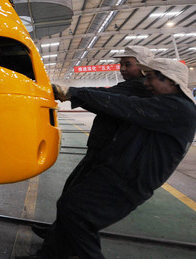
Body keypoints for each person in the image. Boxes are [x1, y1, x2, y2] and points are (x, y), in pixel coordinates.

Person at [24, 58, 196, 258]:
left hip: (128, 182)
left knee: (77, 215)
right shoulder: (166, 104)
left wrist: (74, 92)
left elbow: (122, 103)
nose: (146, 83)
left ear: (172, 80)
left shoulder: (177, 109)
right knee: (70, 207)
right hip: (118, 172)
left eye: (149, 78)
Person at [31, 46, 153, 239]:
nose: (122, 68)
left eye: (127, 64)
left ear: (144, 66)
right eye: (121, 64)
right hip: (100, 149)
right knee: (72, 191)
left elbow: (104, 96)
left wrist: (69, 92)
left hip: (108, 153)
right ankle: (58, 232)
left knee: (76, 197)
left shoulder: (139, 86)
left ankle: (62, 240)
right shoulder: (134, 86)